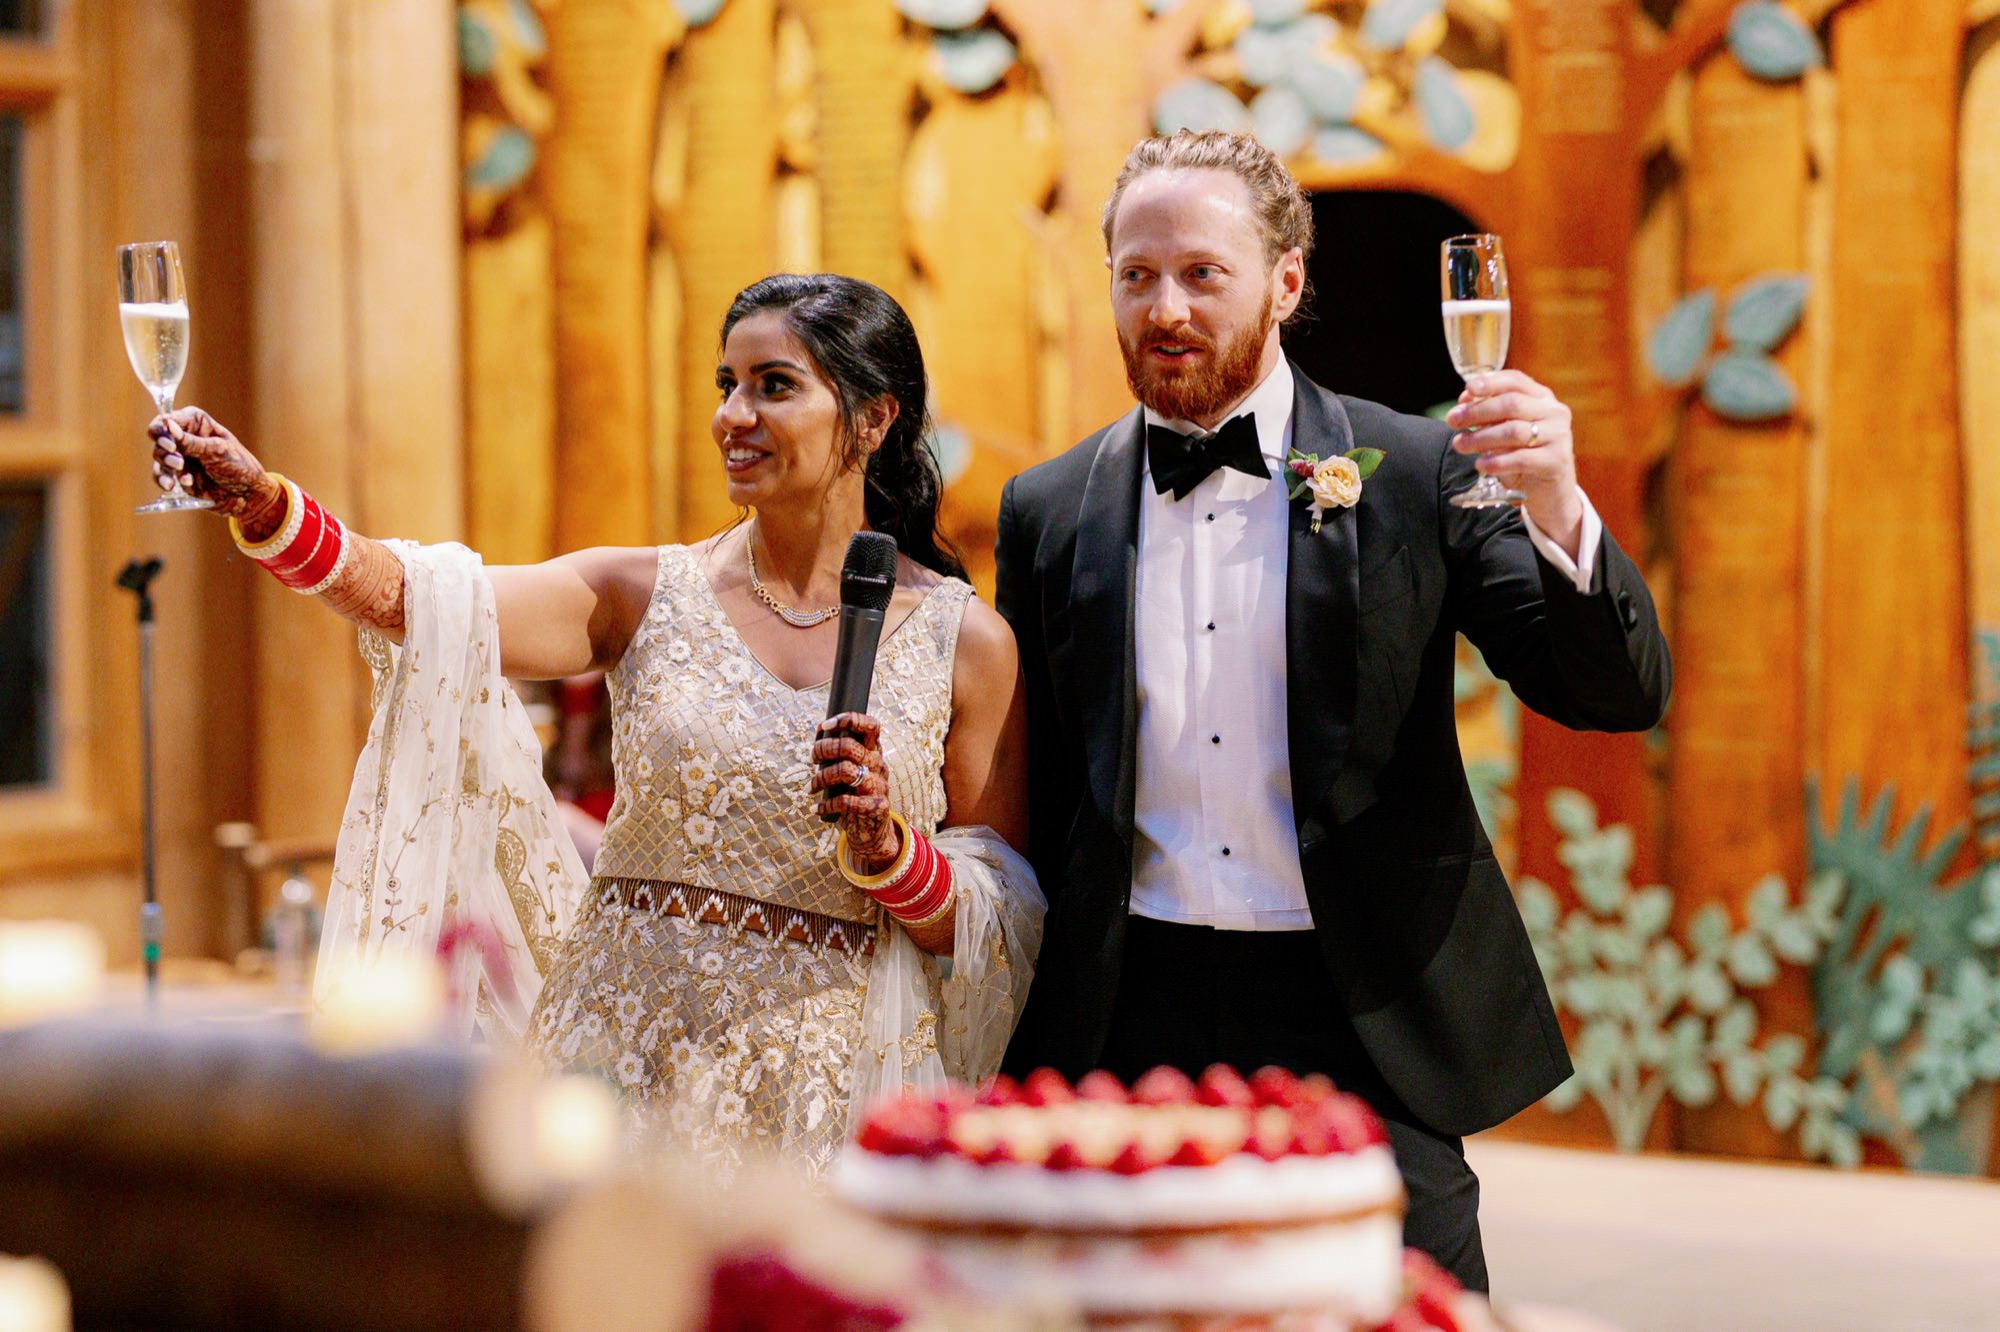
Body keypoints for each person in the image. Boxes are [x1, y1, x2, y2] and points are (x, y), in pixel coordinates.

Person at [151, 272, 1043, 1178]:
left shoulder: (963, 641)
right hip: (619, 1068)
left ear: (875, 417)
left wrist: (891, 850)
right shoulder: (643, 593)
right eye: (726, 385)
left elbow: (1000, 920)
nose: (735, 414)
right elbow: (421, 602)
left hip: (825, 1092)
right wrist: (261, 502)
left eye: (774, 385)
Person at [993, 131, 1670, 1289]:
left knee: (1413, 1310)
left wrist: (1555, 499)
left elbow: (1610, 692)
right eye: (1135, 274)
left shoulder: (1416, 471)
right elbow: (1041, 789)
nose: (1163, 307)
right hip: (1129, 1009)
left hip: (1360, 1007)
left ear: (1286, 280)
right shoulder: (1046, 508)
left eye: (1202, 273)